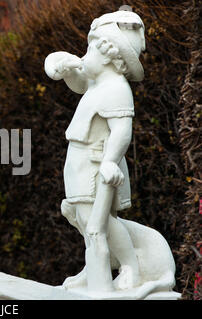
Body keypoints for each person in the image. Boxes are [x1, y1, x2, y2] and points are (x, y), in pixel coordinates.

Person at [45, 10, 146, 292]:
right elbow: (79, 83)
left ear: (109, 56)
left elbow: (122, 132)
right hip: (79, 160)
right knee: (80, 216)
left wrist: (110, 161)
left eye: (91, 47)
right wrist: (68, 70)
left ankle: (129, 266)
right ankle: (94, 269)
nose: (85, 53)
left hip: (96, 164)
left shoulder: (116, 88)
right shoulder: (98, 82)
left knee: (99, 223)